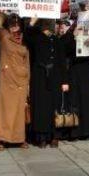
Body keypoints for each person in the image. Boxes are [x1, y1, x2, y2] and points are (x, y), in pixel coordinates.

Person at [26, 18, 70, 148]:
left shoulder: (56, 40)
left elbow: (62, 61)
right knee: (40, 107)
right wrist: (32, 22)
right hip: (39, 76)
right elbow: (27, 36)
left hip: (54, 77)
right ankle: (41, 138)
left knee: (54, 106)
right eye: (45, 23)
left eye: (49, 23)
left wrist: (65, 81)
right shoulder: (36, 37)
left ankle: (54, 136)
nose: (48, 26)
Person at [0, 12, 30, 151]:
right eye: (13, 24)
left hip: (21, 81)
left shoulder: (24, 39)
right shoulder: (4, 36)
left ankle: (19, 139)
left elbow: (27, 62)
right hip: (7, 79)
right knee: (4, 110)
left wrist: (28, 81)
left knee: (19, 112)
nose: (15, 27)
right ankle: (0, 139)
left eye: (18, 24)